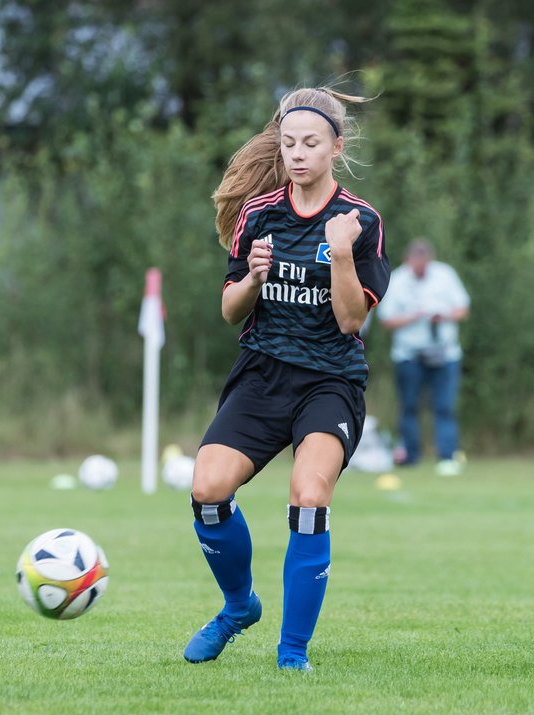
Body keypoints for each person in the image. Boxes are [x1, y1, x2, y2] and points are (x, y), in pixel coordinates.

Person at [183, 86, 390, 671]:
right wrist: (250, 279)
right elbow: (229, 311)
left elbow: (353, 319)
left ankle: (292, 653)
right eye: (290, 143)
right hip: (263, 374)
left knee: (309, 494)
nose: (298, 154)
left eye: (311, 143)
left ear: (335, 148)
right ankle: (238, 606)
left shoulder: (360, 222)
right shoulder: (259, 214)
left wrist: (342, 255)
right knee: (207, 488)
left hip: (331, 382)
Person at [377, 239, 470, 474]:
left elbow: (462, 309)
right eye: (416, 261)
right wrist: (415, 316)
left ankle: (447, 458)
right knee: (408, 407)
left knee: (444, 407)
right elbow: (386, 320)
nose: (420, 266)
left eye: (424, 261)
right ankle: (410, 456)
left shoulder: (445, 275)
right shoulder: (397, 280)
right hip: (409, 354)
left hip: (445, 354)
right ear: (408, 260)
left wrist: (443, 316)